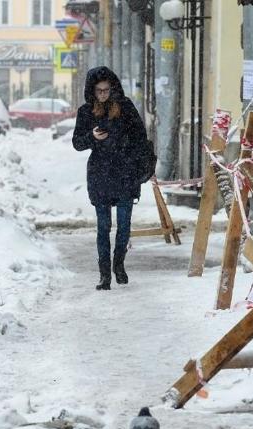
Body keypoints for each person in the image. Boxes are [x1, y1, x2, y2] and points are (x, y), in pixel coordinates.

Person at [72, 66, 148, 291]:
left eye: (106, 90)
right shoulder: (86, 112)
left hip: (125, 173)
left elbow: (140, 137)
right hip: (100, 174)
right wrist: (92, 137)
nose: (103, 94)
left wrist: (138, 162)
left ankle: (119, 265)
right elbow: (77, 143)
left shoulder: (125, 108)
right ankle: (104, 273)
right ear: (92, 91)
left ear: (113, 89)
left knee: (124, 225)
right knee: (103, 226)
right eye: (99, 91)